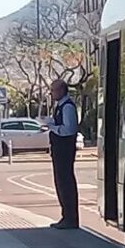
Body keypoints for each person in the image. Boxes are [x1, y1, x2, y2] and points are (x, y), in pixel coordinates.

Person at [45, 79, 79, 229]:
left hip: (65, 150)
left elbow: (69, 129)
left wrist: (53, 127)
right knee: (60, 182)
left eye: (53, 90)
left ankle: (71, 217)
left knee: (66, 183)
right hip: (58, 150)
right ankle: (66, 216)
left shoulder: (67, 107)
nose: (51, 94)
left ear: (61, 91)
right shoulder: (59, 106)